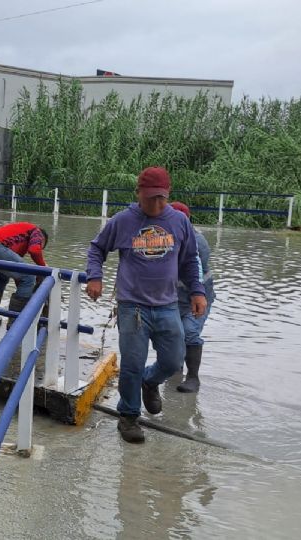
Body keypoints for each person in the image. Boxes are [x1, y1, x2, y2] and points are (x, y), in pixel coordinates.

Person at [86, 166, 207, 444]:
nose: (156, 204)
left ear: (168, 194)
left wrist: (197, 292)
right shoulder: (123, 220)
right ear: (138, 193)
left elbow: (190, 260)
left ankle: (149, 381)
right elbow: (96, 248)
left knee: (174, 360)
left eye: (161, 198)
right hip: (133, 307)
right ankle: (128, 416)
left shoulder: (179, 222)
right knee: (131, 364)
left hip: (167, 305)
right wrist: (95, 276)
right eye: (150, 197)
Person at [169, 201, 215, 393]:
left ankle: (193, 377)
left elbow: (192, 273)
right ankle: (175, 370)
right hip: (171, 300)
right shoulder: (162, 238)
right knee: (171, 335)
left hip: (196, 299)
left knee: (189, 332)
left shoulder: (198, 243)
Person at [0, 222, 49, 327]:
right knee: (29, 275)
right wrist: (44, 268)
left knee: (3, 277)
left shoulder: (18, 242)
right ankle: (15, 325)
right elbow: (34, 251)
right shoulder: (37, 232)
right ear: (43, 239)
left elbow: (18, 278)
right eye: (41, 245)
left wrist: (27, 291)